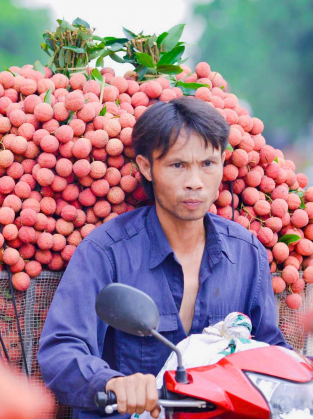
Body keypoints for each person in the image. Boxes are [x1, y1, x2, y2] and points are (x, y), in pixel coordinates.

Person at [37, 98, 289, 419]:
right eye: (178, 165)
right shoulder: (106, 251)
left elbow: (270, 349)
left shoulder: (246, 252)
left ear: (223, 163)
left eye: (208, 164)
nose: (195, 181)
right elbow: (62, 349)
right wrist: (114, 383)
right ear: (146, 167)